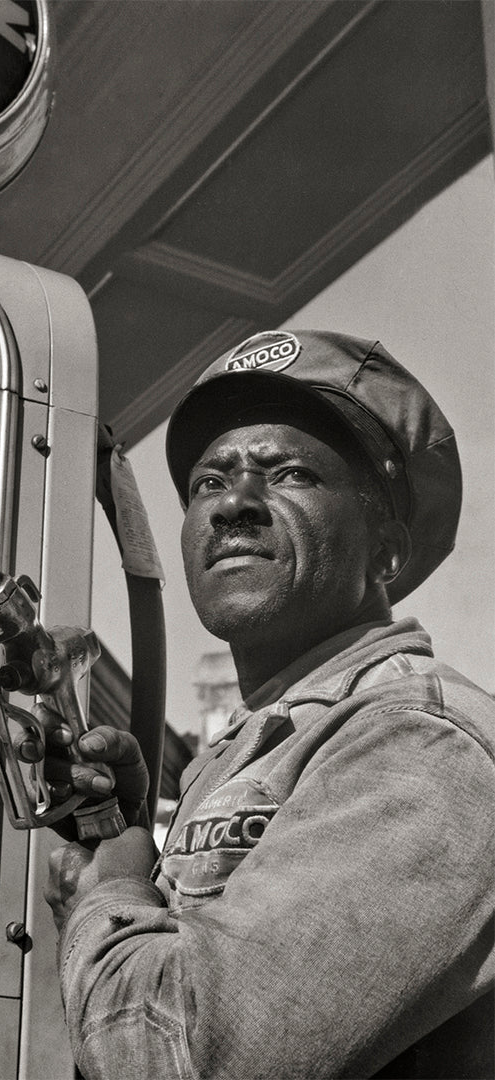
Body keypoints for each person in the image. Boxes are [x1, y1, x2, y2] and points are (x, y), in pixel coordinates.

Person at [38, 331, 495, 1080]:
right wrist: (120, 836)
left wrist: (116, 881)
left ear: (386, 550)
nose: (234, 504)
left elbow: (171, 1053)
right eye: (209, 483)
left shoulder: (418, 741)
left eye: (288, 473)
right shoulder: (252, 752)